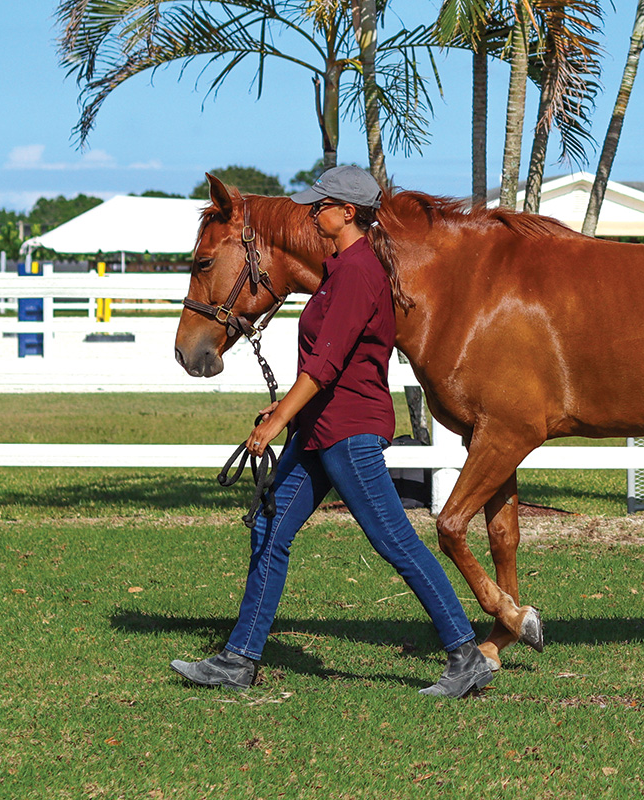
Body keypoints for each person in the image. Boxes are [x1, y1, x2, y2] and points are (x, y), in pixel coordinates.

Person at [171, 166, 494, 698]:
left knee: (394, 540)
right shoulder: (341, 268)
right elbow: (323, 367)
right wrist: (288, 411)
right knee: (270, 530)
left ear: (348, 212)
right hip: (319, 429)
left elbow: (325, 364)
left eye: (320, 205)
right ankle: (239, 659)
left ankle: (465, 653)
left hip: (348, 431)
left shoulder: (358, 272)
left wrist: (276, 422)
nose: (311, 212)